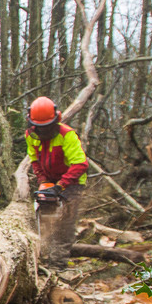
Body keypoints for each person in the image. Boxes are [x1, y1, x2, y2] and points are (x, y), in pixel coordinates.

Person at [24, 96, 88, 257]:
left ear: (56, 120)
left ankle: (58, 262)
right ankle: (44, 252)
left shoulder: (67, 135)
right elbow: (34, 160)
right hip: (50, 179)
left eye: (46, 127)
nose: (43, 131)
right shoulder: (30, 135)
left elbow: (80, 164)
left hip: (72, 182)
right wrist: (43, 181)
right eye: (39, 128)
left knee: (65, 223)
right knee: (44, 218)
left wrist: (60, 186)